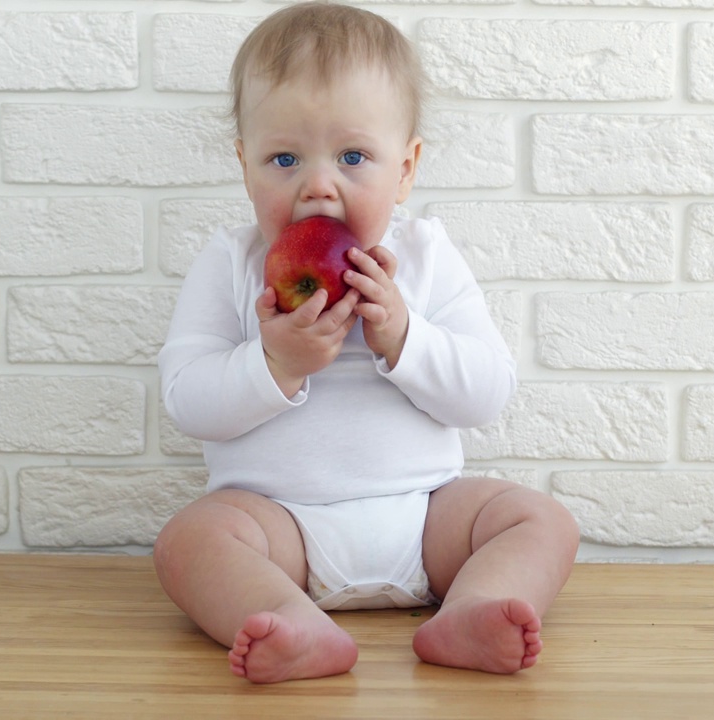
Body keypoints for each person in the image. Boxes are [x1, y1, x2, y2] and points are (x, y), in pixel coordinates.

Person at [155, 0, 579, 684]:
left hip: (425, 520)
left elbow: (486, 391)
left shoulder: (426, 256)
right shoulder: (230, 263)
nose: (318, 186)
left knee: (539, 519)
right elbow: (187, 401)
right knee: (189, 542)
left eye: (353, 156)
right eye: (284, 158)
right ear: (244, 165)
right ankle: (288, 621)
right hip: (280, 531)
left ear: (405, 169)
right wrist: (275, 364)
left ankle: (474, 609)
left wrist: (404, 336)